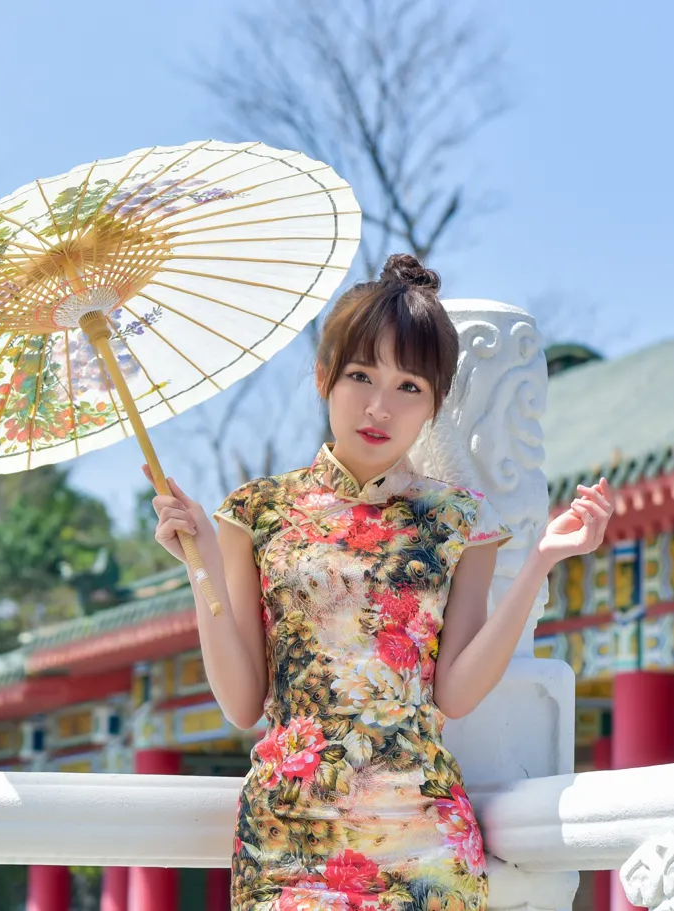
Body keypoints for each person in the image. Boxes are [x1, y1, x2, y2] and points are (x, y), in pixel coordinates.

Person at [144, 253, 613, 911]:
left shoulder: (460, 519)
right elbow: (243, 702)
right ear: (322, 377)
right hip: (290, 844)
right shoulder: (257, 512)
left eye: (409, 387)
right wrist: (199, 563)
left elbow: (455, 690)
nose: (378, 405)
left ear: (433, 406)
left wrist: (539, 562)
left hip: (424, 844)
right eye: (360, 375)